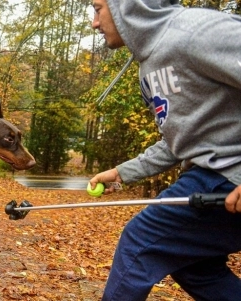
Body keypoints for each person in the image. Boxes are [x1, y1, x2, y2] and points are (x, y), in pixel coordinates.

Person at [89, 0, 241, 300]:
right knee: (193, 265)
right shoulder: (149, 65)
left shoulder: (196, 32)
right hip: (213, 177)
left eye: (98, 8)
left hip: (226, 174)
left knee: (140, 240)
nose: (94, 23)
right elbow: (180, 140)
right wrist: (122, 173)